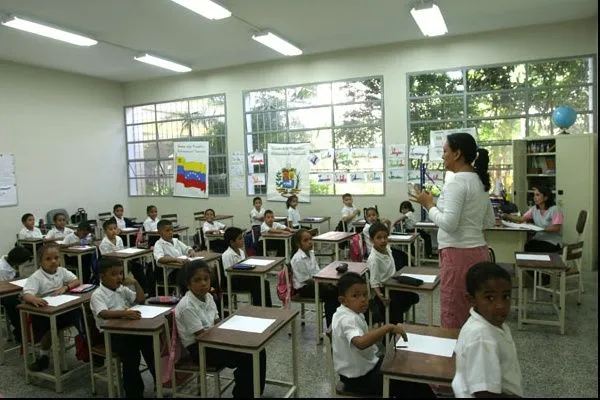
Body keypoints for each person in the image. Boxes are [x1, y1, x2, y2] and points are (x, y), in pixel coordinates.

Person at [410, 132, 495, 329]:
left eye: (445, 151)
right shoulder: (478, 180)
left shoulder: (456, 182)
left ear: (457, 154)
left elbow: (449, 224)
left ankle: (454, 357)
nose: (442, 156)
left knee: (454, 313)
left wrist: (428, 205)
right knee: (474, 311)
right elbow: (489, 220)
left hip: (457, 256)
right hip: (479, 253)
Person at [331, 272, 434, 397]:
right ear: (343, 300)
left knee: (408, 375)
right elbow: (361, 343)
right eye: (355, 296)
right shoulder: (347, 319)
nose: (363, 299)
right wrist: (388, 327)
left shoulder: (345, 312)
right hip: (360, 379)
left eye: (365, 294)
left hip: (359, 371)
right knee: (408, 379)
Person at [175, 261, 266, 398]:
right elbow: (202, 335)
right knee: (247, 354)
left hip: (213, 339)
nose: (204, 283)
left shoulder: (209, 297)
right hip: (200, 349)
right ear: (188, 283)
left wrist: (233, 332)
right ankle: (243, 394)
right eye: (197, 280)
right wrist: (229, 337)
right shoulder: (187, 306)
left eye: (206, 279)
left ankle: (254, 393)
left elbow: (217, 322)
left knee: (257, 349)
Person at [452, 262, 523, 398]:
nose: (500, 305)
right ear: (471, 300)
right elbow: (484, 393)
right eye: (490, 298)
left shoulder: (491, 323)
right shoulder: (481, 336)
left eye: (506, 297)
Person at [90, 257, 156, 398]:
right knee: (131, 355)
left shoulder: (121, 289)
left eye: (121, 273)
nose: (119, 277)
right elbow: (104, 313)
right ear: (102, 277)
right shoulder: (98, 295)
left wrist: (135, 282)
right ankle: (134, 392)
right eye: (114, 274)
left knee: (150, 345)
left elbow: (140, 299)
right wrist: (124, 313)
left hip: (127, 330)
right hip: (110, 335)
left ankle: (160, 383)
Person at [21, 243, 81, 371]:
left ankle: (87, 346)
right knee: (48, 328)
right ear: (40, 262)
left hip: (61, 308)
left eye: (56, 258)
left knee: (81, 314)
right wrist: (34, 299)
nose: (53, 261)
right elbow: (26, 295)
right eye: (48, 259)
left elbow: (76, 280)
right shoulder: (36, 277)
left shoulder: (61, 271)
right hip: (44, 312)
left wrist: (65, 287)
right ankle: (44, 357)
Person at [367, 223, 419, 324]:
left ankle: (398, 324)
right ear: (371, 240)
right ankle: (393, 331)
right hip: (385, 290)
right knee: (397, 308)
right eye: (379, 238)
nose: (383, 240)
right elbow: (373, 282)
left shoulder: (387, 248)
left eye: (385, 237)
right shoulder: (373, 259)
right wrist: (381, 297)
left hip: (394, 284)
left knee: (413, 296)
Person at [290, 229, 338, 328]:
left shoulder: (311, 253)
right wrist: (323, 282)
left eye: (310, 239)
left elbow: (317, 271)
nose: (310, 242)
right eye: (306, 240)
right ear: (299, 244)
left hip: (315, 282)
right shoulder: (298, 259)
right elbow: (306, 280)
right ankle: (331, 327)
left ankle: (337, 322)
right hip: (304, 288)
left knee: (337, 288)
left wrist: (326, 279)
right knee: (330, 293)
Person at [221, 227, 272, 307]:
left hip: (243, 277)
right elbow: (227, 274)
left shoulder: (241, 252)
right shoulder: (227, 255)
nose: (243, 240)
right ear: (232, 242)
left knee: (264, 282)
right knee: (257, 284)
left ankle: (267, 308)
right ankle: (258, 309)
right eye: (240, 239)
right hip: (233, 281)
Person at [99, 219, 147, 290]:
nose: (113, 231)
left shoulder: (119, 239)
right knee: (127, 267)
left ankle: (143, 290)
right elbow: (106, 258)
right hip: (111, 265)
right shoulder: (104, 243)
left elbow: (122, 251)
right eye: (110, 229)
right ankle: (124, 286)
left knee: (138, 267)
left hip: (122, 261)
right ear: (105, 231)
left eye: (115, 229)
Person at [153, 219, 201, 287]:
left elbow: (187, 248)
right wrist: (176, 259)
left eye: (172, 230)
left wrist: (191, 251)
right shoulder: (159, 244)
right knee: (190, 275)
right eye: (167, 231)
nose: (170, 232)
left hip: (182, 267)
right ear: (159, 233)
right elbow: (160, 258)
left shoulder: (176, 241)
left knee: (199, 270)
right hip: (171, 273)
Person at [0, 246, 32, 343]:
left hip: (11, 290)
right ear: (17, 262)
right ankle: (21, 332)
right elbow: (4, 289)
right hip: (4, 294)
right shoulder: (2, 269)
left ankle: (27, 329)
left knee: (29, 296)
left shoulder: (8, 260)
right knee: (16, 304)